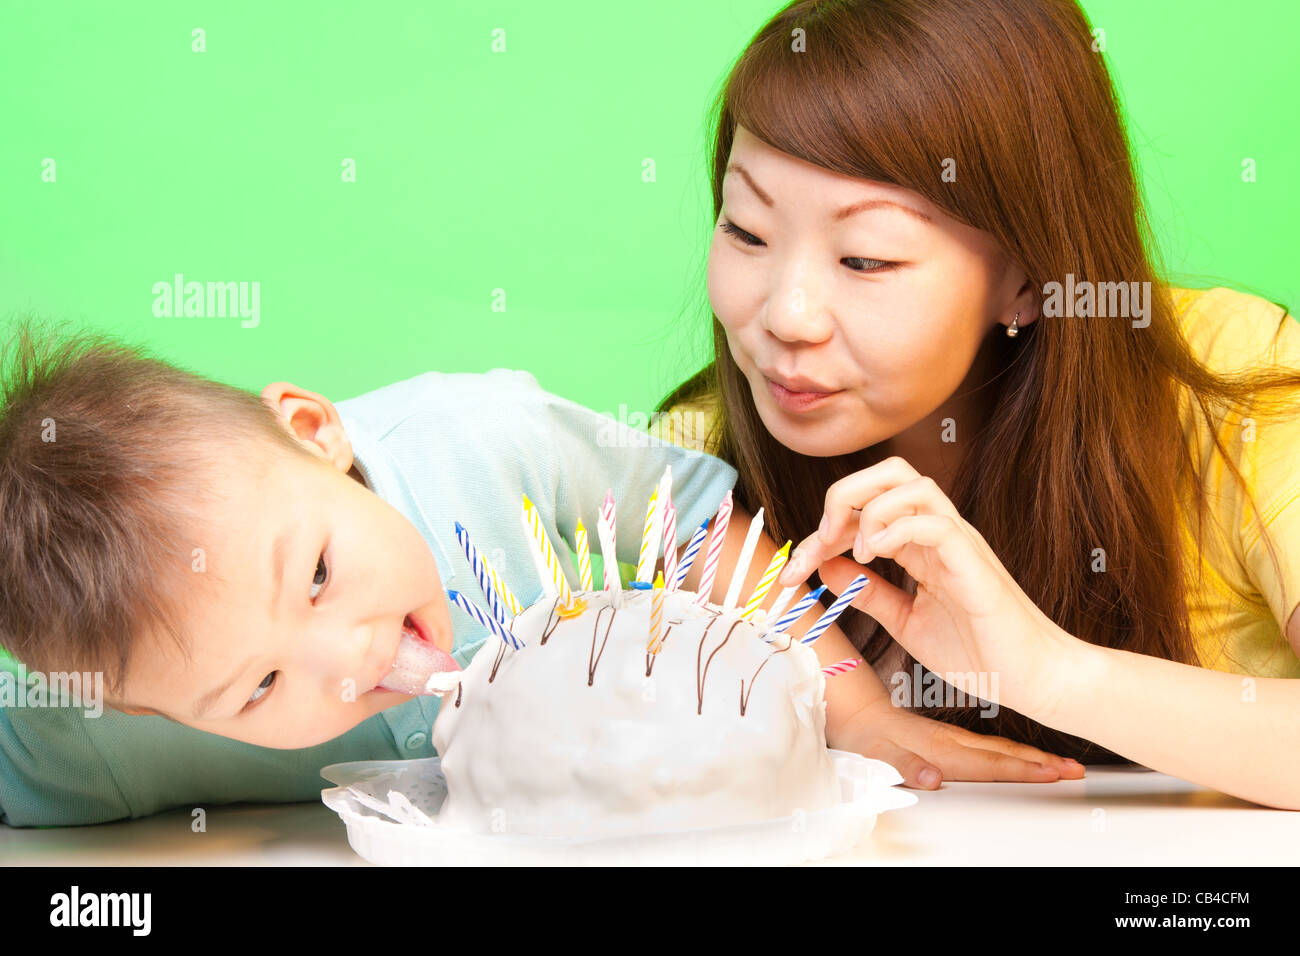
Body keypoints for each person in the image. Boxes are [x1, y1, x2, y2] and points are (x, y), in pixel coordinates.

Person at [656, 0, 1300, 808]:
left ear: (1028, 276)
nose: (786, 316)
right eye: (746, 231)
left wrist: (1050, 671)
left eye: (865, 258)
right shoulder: (696, 458)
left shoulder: (1234, 385)